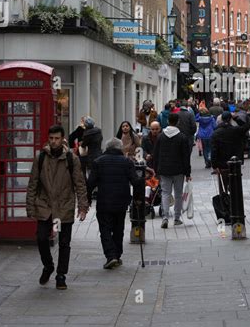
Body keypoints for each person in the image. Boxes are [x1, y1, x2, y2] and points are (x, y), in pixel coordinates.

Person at [26, 125, 88, 290]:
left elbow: (80, 184)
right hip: (45, 206)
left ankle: (61, 275)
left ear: (62, 139)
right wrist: (30, 207)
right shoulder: (40, 158)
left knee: (64, 243)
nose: (53, 142)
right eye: (51, 138)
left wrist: (83, 206)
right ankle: (48, 266)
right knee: (41, 238)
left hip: (64, 205)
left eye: (57, 138)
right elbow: (33, 184)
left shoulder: (71, 158)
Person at [87, 137, 142, 269]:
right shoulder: (126, 162)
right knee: (118, 228)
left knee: (105, 229)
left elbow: (90, 183)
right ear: (120, 148)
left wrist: (87, 199)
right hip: (121, 201)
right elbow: (136, 181)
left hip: (104, 201)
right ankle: (117, 255)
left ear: (107, 148)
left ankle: (111, 256)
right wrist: (138, 198)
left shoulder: (98, 162)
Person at [153, 113, 192, 228]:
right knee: (178, 194)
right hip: (178, 170)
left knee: (165, 193)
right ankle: (176, 218)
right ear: (178, 122)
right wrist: (187, 172)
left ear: (167, 121)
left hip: (164, 169)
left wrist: (156, 170)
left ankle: (165, 217)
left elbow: (156, 154)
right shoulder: (182, 137)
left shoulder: (160, 136)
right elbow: (186, 156)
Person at [211, 110, 249, 194]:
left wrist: (214, 165)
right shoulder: (236, 130)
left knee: (222, 186)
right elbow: (246, 126)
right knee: (234, 184)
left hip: (221, 163)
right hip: (235, 161)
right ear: (230, 119)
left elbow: (214, 150)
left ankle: (224, 202)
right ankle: (234, 200)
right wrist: (236, 118)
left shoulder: (216, 133)